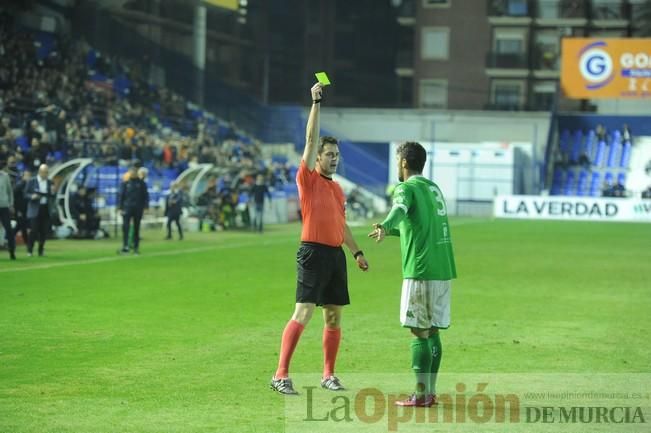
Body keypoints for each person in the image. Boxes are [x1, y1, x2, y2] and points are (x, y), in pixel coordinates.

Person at [270, 83, 370, 395]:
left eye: (337, 155)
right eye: (329, 154)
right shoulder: (308, 180)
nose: (334, 158)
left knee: (333, 315)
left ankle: (328, 374)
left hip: (335, 256)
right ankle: (280, 374)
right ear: (317, 158)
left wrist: (356, 253)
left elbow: (342, 226)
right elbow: (310, 138)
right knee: (303, 311)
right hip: (312, 253)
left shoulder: (337, 189)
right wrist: (315, 103)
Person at [369, 141, 457, 407]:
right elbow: (418, 225)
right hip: (443, 269)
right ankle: (429, 392)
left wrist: (386, 225)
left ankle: (420, 395)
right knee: (432, 331)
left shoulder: (405, 188)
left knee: (418, 331)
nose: (397, 165)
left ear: (404, 163)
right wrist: (392, 230)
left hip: (420, 270)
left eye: (398, 160)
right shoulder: (432, 188)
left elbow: (399, 210)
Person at [24, 164, 54, 257]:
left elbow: (52, 196)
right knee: (34, 230)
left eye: (47, 172)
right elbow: (25, 194)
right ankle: (30, 250)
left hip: (45, 208)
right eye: (45, 172)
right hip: (35, 208)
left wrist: (53, 192)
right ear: (40, 172)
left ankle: (41, 250)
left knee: (44, 231)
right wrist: (32, 196)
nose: (46, 174)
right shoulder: (32, 181)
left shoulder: (49, 182)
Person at [118, 166, 149, 254]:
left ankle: (136, 247)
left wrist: (146, 207)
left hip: (138, 209)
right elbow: (121, 196)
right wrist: (120, 207)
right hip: (127, 208)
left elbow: (145, 196)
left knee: (136, 228)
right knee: (125, 228)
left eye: (134, 172)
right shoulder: (125, 183)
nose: (132, 174)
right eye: (131, 172)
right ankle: (125, 246)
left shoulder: (141, 184)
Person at [0, 159, 16, 260]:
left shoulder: (5, 176)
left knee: (9, 230)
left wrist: (11, 204)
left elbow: (10, 191)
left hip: (4, 206)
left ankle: (12, 251)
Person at [13, 170, 31, 252]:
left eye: (29, 175)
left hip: (26, 210)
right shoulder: (20, 185)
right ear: (23, 176)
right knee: (22, 226)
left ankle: (8, 239)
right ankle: (28, 244)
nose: (28, 177)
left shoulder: (29, 185)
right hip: (20, 210)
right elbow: (14, 197)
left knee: (20, 226)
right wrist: (17, 209)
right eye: (26, 175)